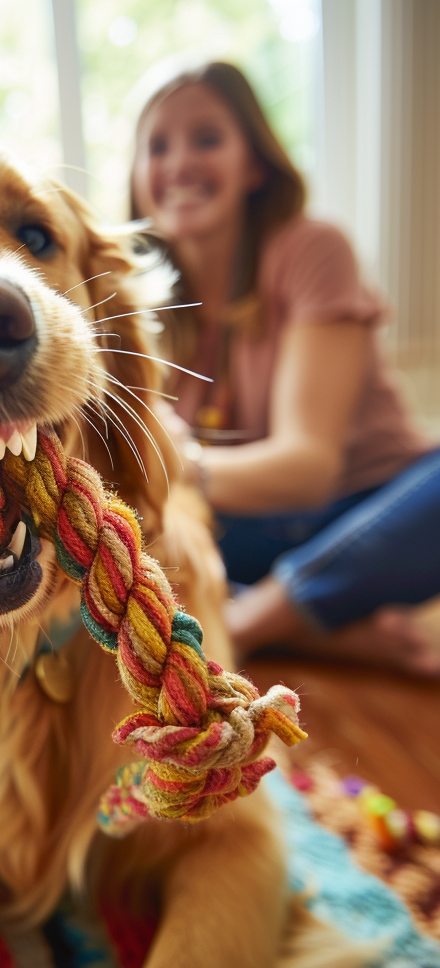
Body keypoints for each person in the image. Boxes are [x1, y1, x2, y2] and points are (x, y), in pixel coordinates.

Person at [129, 60, 440, 675]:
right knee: (130, 532)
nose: (180, 163)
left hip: (372, 518)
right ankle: (310, 628)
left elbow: (307, 469)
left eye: (208, 139)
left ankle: (241, 623)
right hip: (256, 533)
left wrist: (180, 466)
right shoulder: (142, 308)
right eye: (157, 146)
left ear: (255, 164)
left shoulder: (312, 249)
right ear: (137, 178)